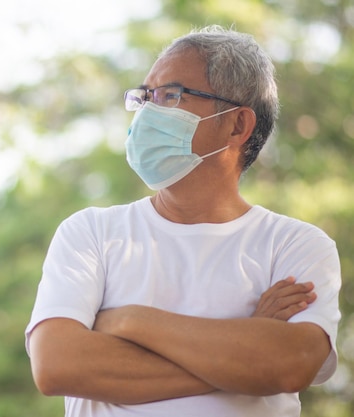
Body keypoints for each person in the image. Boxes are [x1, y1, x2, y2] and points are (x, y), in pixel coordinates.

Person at [24, 25, 341, 417]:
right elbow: (57, 366)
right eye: (144, 97)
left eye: (169, 96)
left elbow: (292, 365)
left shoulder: (294, 244)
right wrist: (243, 349)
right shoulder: (90, 233)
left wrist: (128, 319)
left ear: (238, 125)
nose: (148, 111)